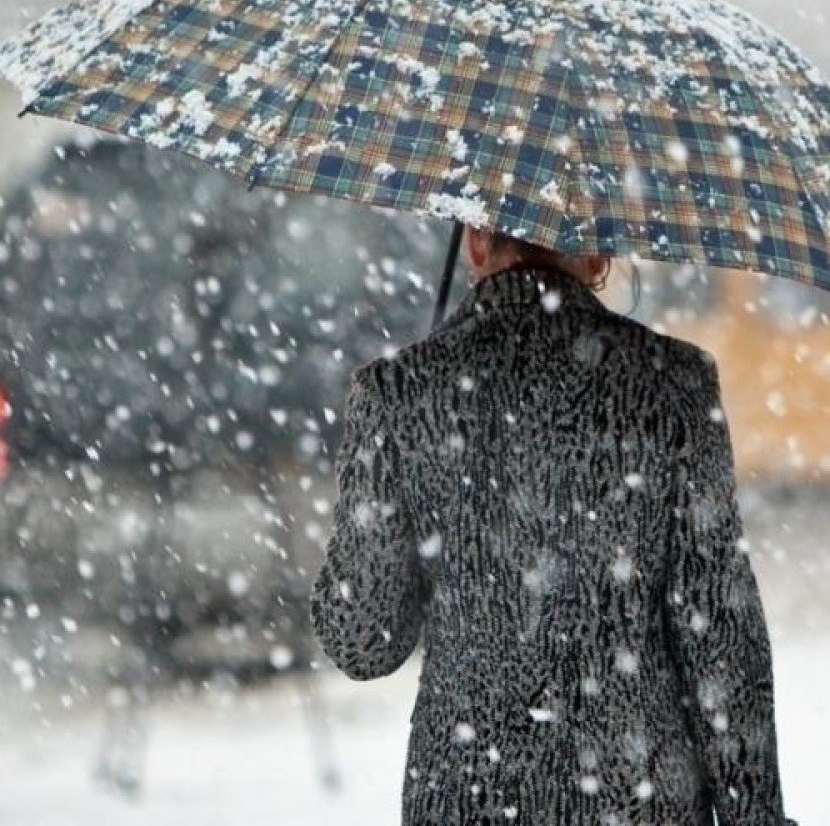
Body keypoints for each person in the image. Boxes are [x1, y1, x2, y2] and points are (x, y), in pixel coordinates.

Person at [310, 227, 794, 825]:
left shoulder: (396, 394)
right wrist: (757, 818)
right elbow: (718, 632)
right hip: (639, 800)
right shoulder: (676, 386)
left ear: (476, 245)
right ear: (598, 256)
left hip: (467, 801)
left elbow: (363, 642)